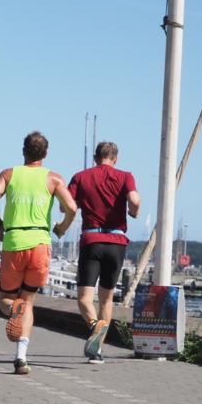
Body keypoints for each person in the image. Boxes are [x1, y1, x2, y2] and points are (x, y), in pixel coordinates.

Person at [0, 131, 77, 375]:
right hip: (40, 244)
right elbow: (72, 207)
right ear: (45, 154)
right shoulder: (53, 179)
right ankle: (21, 358)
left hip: (14, 241)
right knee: (29, 302)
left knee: (6, 300)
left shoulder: (9, 174)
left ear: (24, 151)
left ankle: (14, 310)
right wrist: (61, 228)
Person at [56, 141, 140, 365]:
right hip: (117, 243)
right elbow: (134, 200)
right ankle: (98, 349)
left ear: (95, 157)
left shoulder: (80, 177)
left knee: (84, 298)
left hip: (92, 241)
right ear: (116, 158)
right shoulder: (126, 176)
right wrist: (134, 211)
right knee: (106, 299)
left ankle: (95, 329)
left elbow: (66, 206)